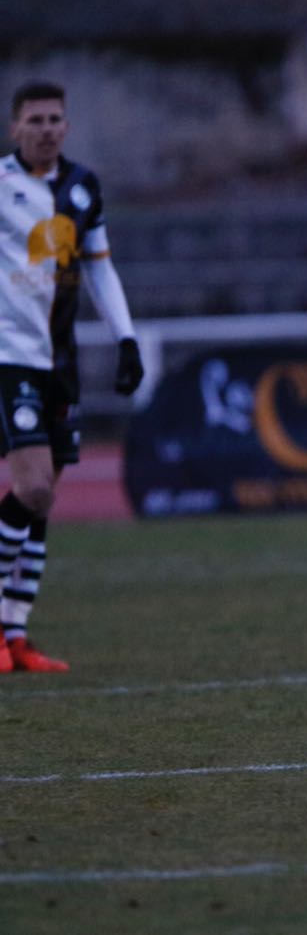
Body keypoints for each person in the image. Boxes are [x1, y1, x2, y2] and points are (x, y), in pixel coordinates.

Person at [0, 81, 144, 673]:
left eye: (56, 118)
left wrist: (126, 337)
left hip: (62, 362)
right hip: (10, 358)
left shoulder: (82, 187)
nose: (46, 128)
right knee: (31, 488)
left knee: (44, 502)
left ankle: (14, 638)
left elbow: (100, 271)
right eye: (35, 119)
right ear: (15, 129)